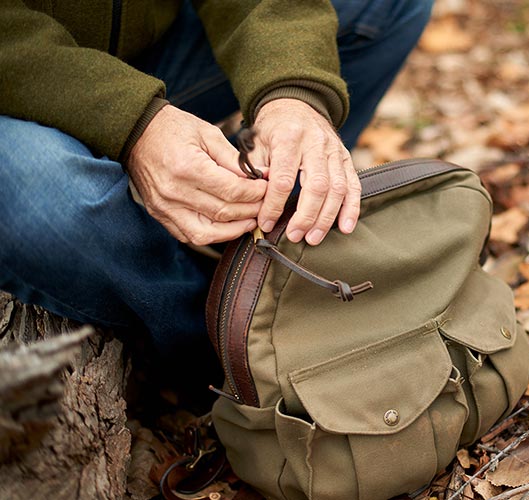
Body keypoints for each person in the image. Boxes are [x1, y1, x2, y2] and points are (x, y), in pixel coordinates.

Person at [0, 1, 433, 362]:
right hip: (16, 82)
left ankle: (281, 242)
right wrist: (132, 121)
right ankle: (220, 339)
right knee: (48, 201)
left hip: (150, 54)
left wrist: (292, 93)